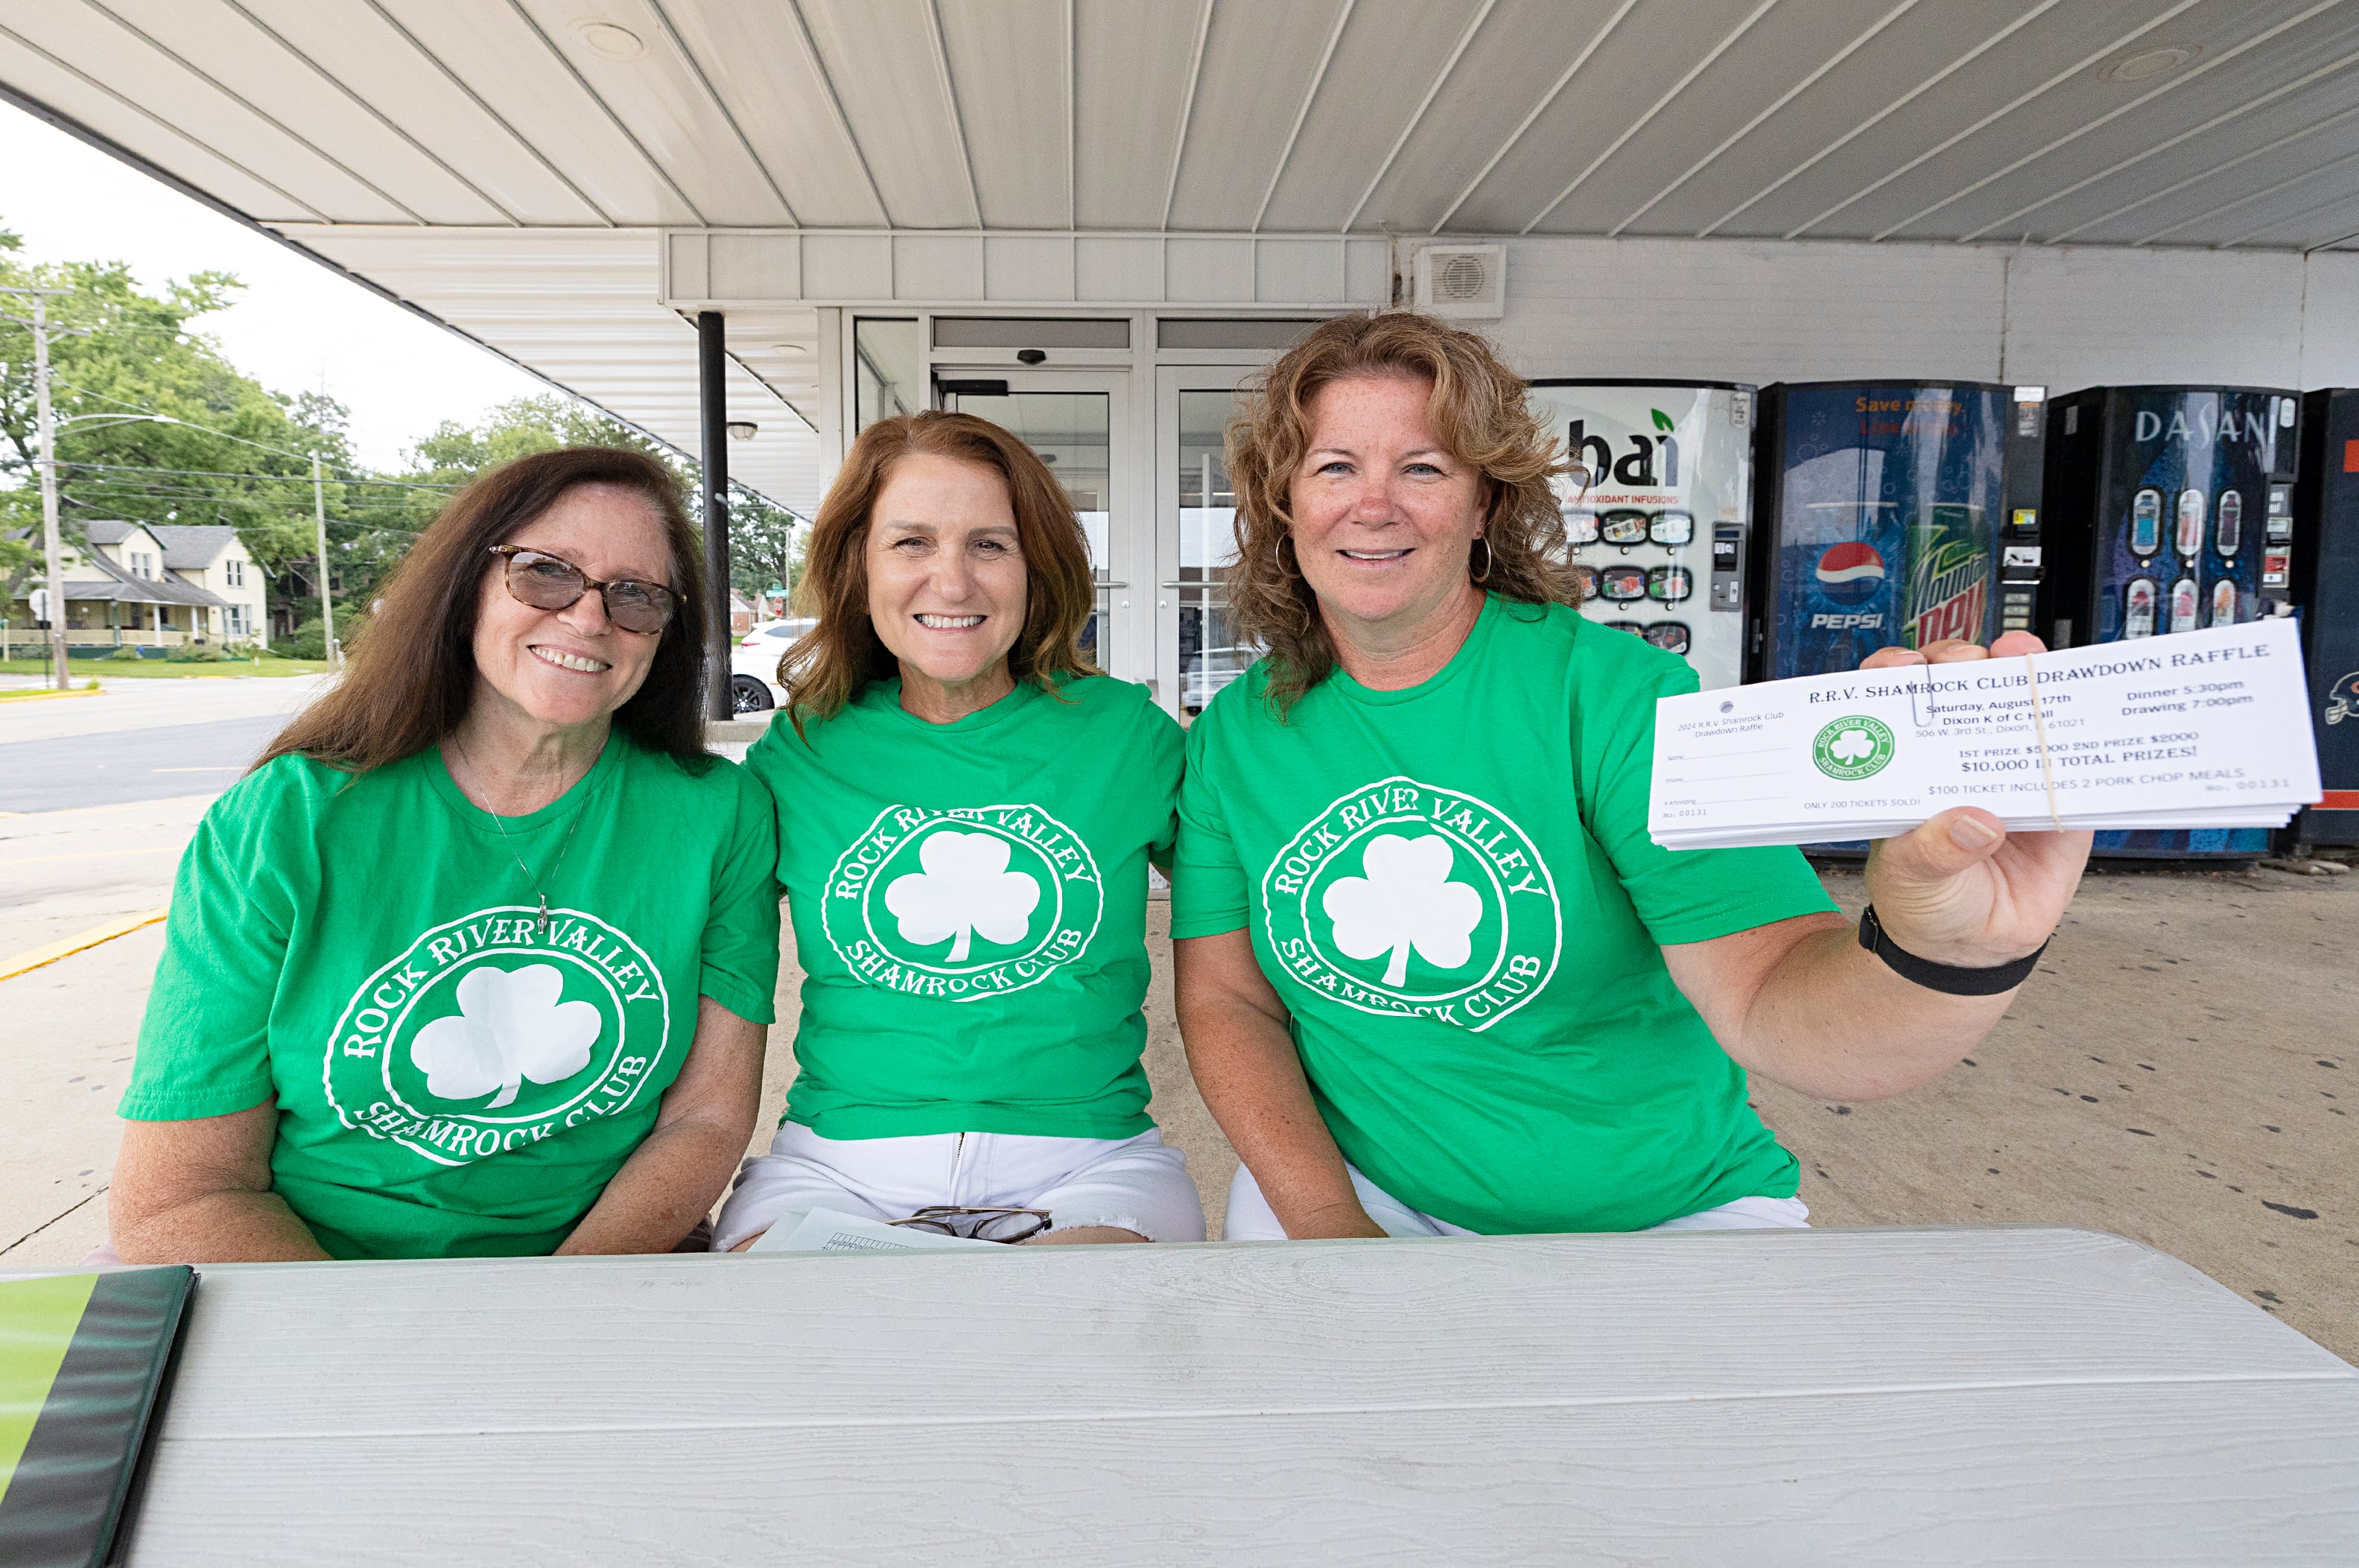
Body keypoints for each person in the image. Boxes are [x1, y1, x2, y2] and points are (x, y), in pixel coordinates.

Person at [1172, 311, 2092, 1241]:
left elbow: (1766, 988)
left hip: (1663, 1217)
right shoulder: (1239, 735)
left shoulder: (1618, 700)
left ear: (1484, 501)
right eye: (1335, 466)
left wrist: (1947, 954)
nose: (1374, 505)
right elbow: (1227, 998)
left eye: (1423, 467)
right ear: (1283, 501)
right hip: (1371, 1192)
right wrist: (1330, 1220)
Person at [110, 448, 781, 1261]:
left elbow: (703, 1117)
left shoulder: (718, 814)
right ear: (467, 585)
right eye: (545, 573)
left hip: (602, 1265)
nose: (588, 617)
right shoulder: (288, 819)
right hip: (307, 1278)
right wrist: (390, 1360)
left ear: (665, 630)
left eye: (635, 593)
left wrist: (554, 1310)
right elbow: (180, 1193)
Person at [713, 412, 1204, 1251]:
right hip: (837, 1163)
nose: (951, 581)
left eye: (988, 544)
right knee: (785, 1344)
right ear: (857, 565)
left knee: (1081, 1330)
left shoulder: (1127, 734)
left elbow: (1261, 898)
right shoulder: (796, 754)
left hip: (1087, 1163)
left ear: (1033, 568)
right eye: (910, 543)